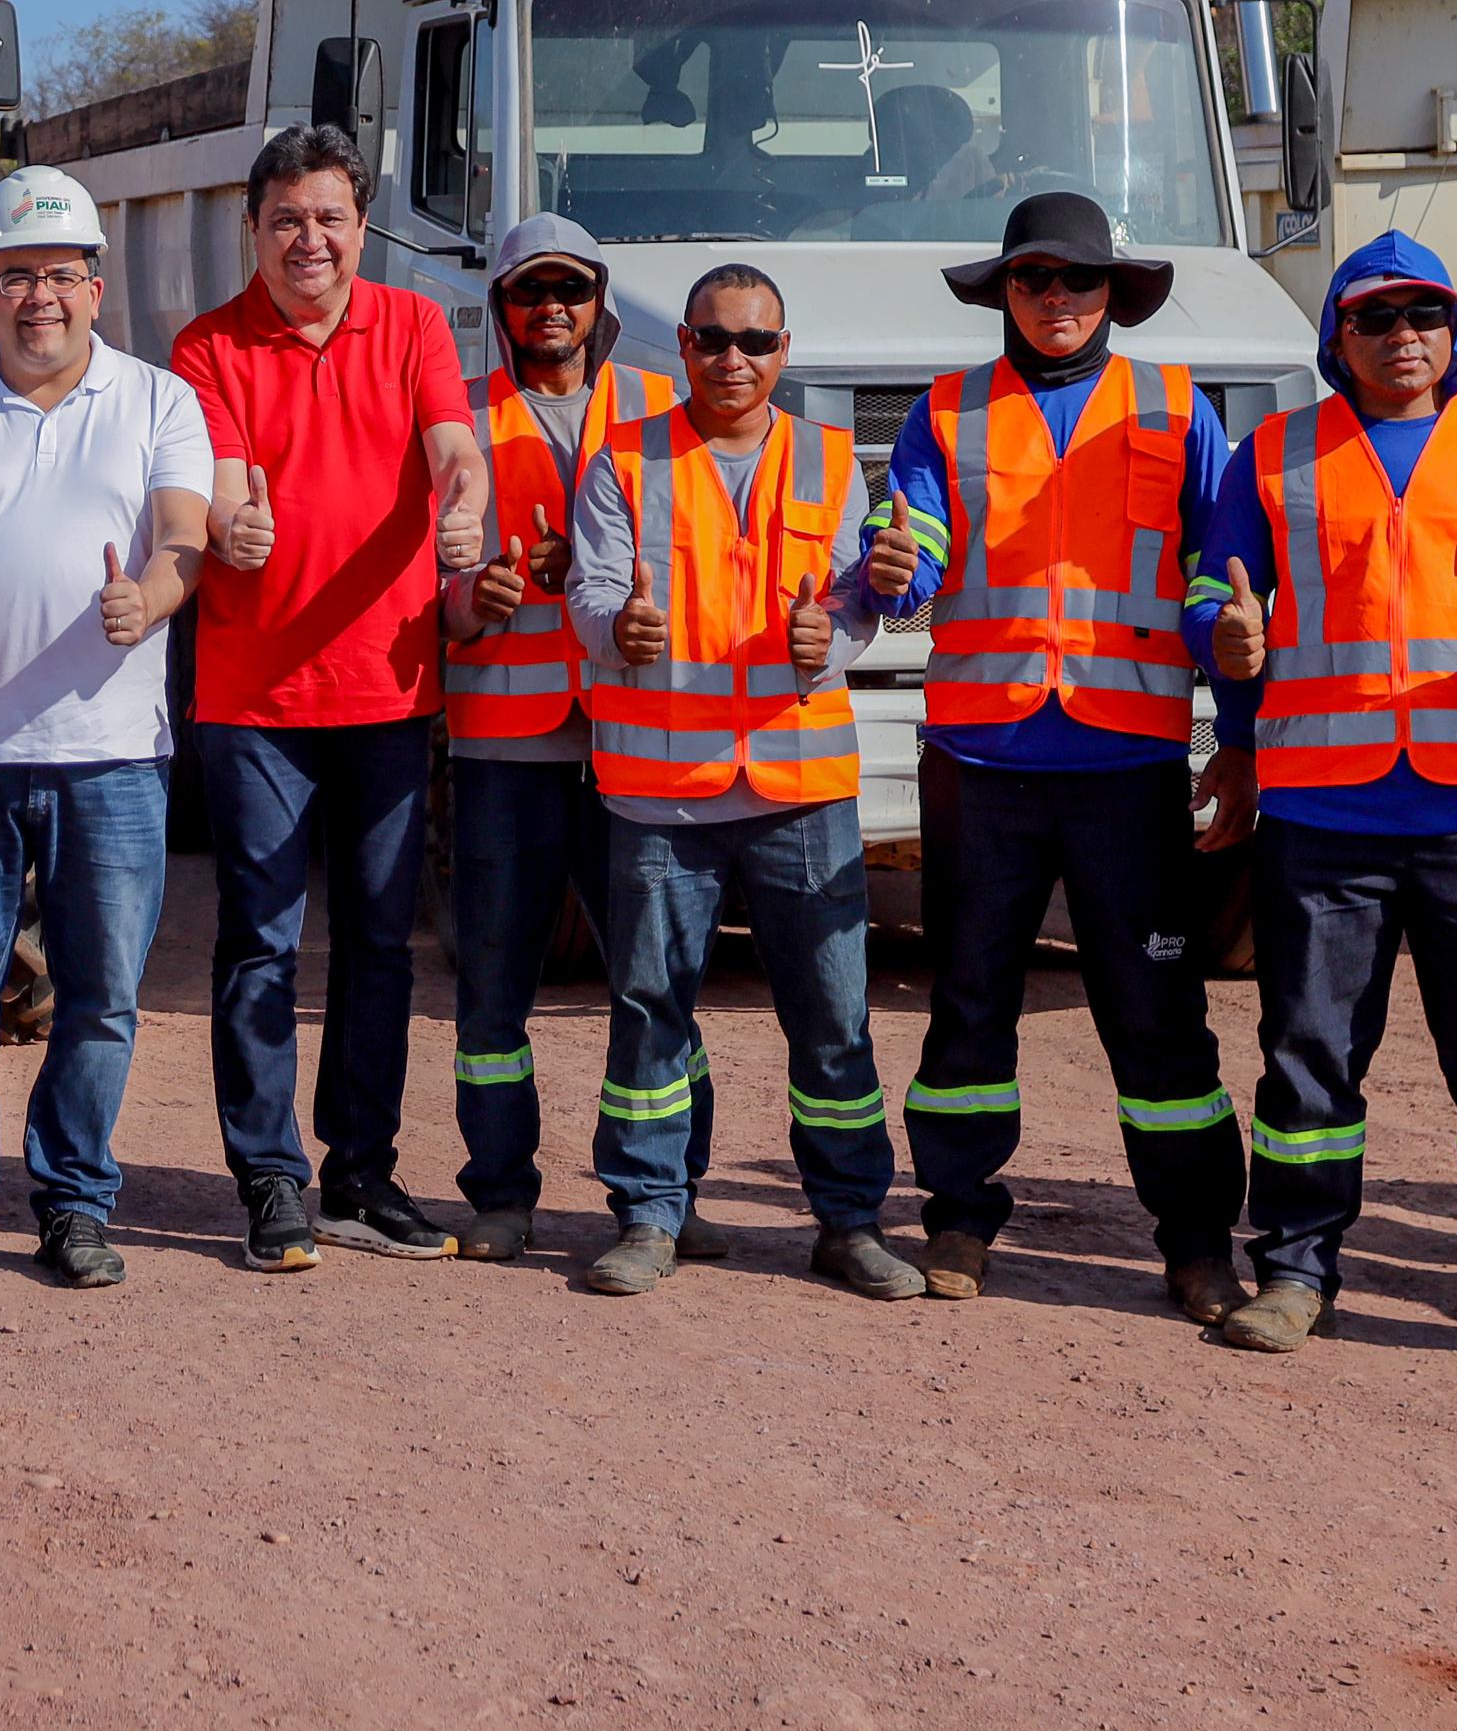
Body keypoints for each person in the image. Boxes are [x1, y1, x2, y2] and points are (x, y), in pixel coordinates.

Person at [1187, 233, 1457, 1379]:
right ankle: (1294, 1271)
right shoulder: (1271, 453)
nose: (1402, 333)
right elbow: (1213, 591)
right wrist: (1222, 662)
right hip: (1325, 811)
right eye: (1375, 317)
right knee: (1307, 1056)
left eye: (1425, 311)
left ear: (1453, 326)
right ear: (1338, 338)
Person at [870, 190, 1245, 1316]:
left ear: (1110, 295)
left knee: (1156, 1008)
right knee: (969, 1000)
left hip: (1126, 762)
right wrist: (898, 567)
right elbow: (918, 542)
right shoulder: (943, 411)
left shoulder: (1178, 411)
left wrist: (1239, 729)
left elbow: (1215, 583)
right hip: (981, 761)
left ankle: (1193, 1240)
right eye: (1031, 279)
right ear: (1003, 291)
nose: (1053, 299)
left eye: (1074, 280)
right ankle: (955, 1218)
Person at [0, 167, 210, 1294]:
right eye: (16, 276)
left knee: (101, 996)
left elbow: (182, 534)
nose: (39, 297)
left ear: (96, 286)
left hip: (110, 752)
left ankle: (73, 1202)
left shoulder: (158, 401)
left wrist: (149, 598)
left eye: (60, 273)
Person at [567, 263, 922, 1301]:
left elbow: (856, 602)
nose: (733, 359)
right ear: (678, 345)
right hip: (659, 790)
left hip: (798, 787)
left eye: (754, 342)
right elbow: (592, 590)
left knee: (831, 1019)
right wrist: (614, 627)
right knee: (647, 1010)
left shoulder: (824, 460)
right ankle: (646, 1212)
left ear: (782, 348)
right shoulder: (623, 458)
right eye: (712, 339)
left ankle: (849, 1221)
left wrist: (837, 635)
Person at [171, 123, 488, 1270]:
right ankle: (270, 1180)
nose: (309, 238)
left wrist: (463, 493)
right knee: (258, 941)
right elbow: (213, 477)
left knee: (377, 945)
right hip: (253, 697)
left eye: (329, 217)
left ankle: (360, 1173)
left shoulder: (408, 324)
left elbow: (454, 442)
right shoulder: (205, 344)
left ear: (361, 224)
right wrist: (228, 519)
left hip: (388, 687)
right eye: (286, 218)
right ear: (252, 229)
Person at [434, 214, 663, 1259]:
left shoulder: (660, 413)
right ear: (502, 309)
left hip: (637, 735)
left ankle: (661, 1195)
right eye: (529, 292)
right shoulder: (461, 420)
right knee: (491, 987)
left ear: (597, 302)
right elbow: (423, 585)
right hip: (503, 743)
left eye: (569, 287)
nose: (550, 308)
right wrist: (471, 599)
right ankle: (499, 1193)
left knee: (654, 982)